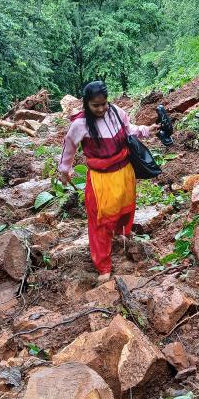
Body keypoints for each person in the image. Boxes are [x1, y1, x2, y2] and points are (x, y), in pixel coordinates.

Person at [58, 81, 160, 283]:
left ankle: (121, 234)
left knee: (125, 207)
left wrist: (146, 130)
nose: (101, 109)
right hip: (100, 179)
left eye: (104, 104)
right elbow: (68, 147)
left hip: (124, 171)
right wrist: (64, 170)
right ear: (86, 104)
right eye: (96, 106)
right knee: (100, 220)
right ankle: (103, 265)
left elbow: (129, 129)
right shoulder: (80, 124)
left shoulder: (116, 112)